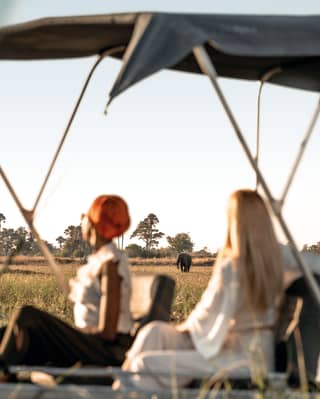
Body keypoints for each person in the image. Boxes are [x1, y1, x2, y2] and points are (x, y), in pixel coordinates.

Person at [114, 189, 320, 390]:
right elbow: (316, 264)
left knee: (145, 364)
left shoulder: (233, 265)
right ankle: (121, 389)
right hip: (246, 349)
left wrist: (186, 332)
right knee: (154, 332)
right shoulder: (284, 257)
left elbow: (212, 312)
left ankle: (120, 390)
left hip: (234, 357)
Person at [0, 195, 134, 370]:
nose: (82, 220)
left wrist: (68, 333)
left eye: (86, 216)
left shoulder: (110, 264)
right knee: (8, 331)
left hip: (105, 351)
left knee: (27, 315)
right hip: (91, 343)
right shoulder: (100, 260)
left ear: (95, 224)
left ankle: (2, 374)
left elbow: (108, 333)